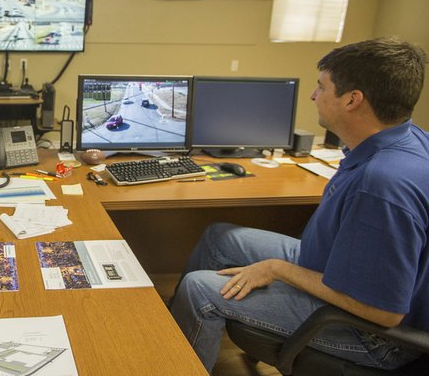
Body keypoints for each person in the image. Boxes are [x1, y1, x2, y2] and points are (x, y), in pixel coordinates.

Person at [169, 37, 429, 373]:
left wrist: (278, 269)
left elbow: (383, 311)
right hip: (332, 267)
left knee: (199, 290)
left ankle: (173, 357)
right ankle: (173, 331)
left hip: (372, 333)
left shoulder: (382, 184)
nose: (312, 95)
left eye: (322, 87)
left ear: (352, 100)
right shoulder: (409, 139)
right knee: (221, 237)